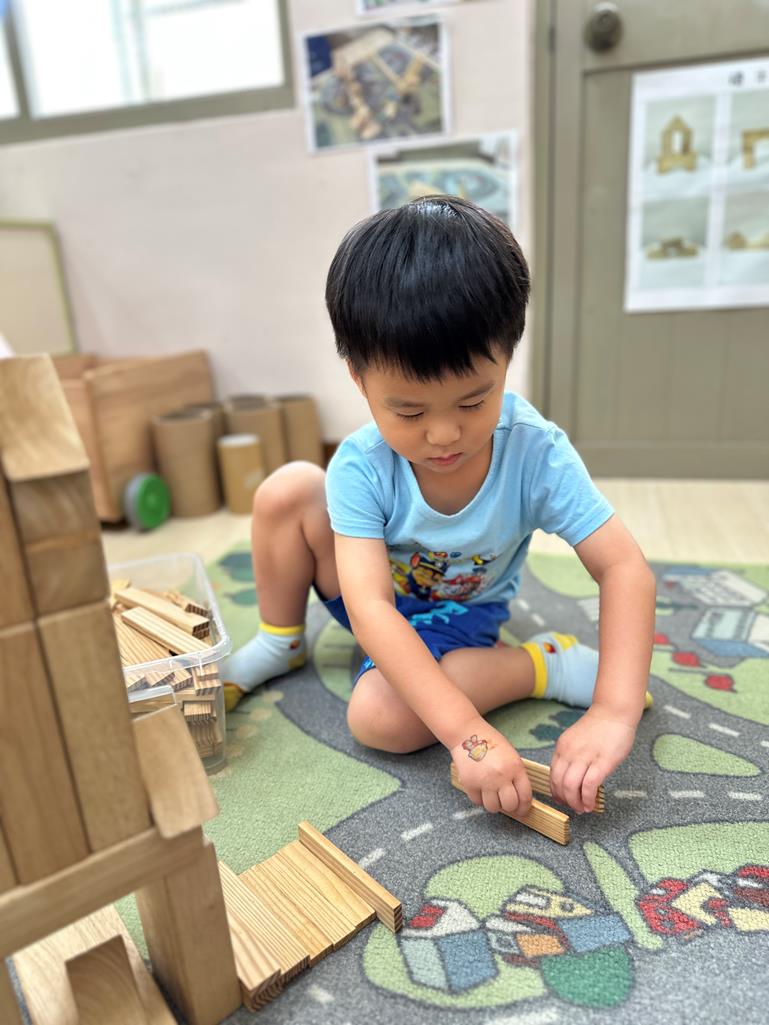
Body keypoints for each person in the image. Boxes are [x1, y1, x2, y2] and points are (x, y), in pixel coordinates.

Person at [223, 196, 656, 817]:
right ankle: (280, 640)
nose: (445, 435)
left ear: (508, 357)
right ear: (357, 378)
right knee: (288, 489)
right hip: (374, 603)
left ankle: (541, 665)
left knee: (380, 717)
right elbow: (371, 607)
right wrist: (468, 735)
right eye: (409, 411)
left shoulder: (535, 453)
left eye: (474, 402)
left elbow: (624, 567)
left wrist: (614, 710)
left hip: (461, 612)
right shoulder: (362, 464)